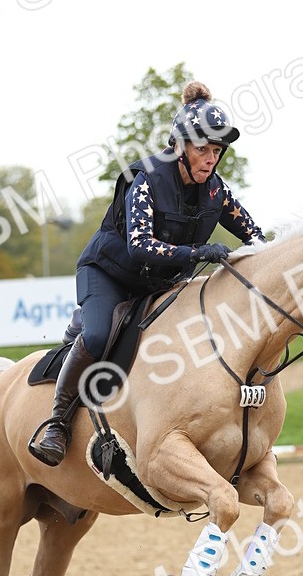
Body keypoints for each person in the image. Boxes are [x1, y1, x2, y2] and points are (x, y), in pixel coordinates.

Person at [31, 81, 266, 466]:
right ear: (180, 146)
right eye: (202, 149)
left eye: (217, 151)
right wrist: (198, 252)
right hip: (110, 274)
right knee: (98, 335)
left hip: (160, 282)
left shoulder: (216, 191)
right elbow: (140, 245)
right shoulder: (147, 179)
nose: (211, 159)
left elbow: (255, 237)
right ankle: (57, 422)